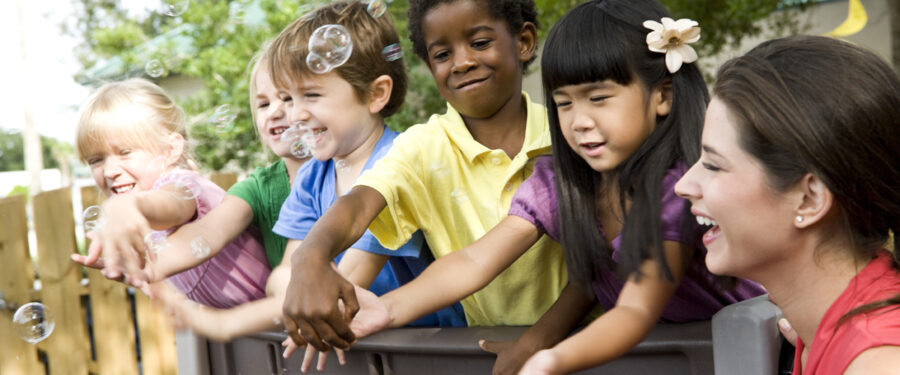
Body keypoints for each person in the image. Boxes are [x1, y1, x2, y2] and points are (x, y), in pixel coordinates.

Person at [298, 1, 764, 373]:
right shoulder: (561, 179)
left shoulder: (675, 189)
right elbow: (475, 260)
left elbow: (634, 311)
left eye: (599, 98)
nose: (580, 121)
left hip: (738, 352)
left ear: (662, 94)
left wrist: (548, 356)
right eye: (563, 103)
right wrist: (386, 310)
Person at [154, 3, 465, 354]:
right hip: (358, 345)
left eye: (312, 95)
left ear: (377, 94)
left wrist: (224, 324)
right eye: (289, 97)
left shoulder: (399, 161)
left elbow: (342, 288)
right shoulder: (313, 176)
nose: (295, 114)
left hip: (430, 348)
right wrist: (295, 289)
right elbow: (286, 274)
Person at [280, 0, 568, 352]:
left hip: (599, 342)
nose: (462, 62)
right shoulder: (421, 147)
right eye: (443, 54)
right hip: (483, 352)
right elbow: (358, 203)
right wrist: (310, 254)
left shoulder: (570, 133)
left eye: (479, 43)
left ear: (523, 41)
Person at [674, 35, 900, 375]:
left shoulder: (877, 361)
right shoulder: (826, 329)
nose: (683, 186)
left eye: (713, 165)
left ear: (810, 199)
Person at [73, 78, 270, 309]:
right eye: (96, 160)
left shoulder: (182, 185)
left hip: (287, 313)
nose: (109, 171)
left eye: (125, 152)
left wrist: (131, 205)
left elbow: (170, 204)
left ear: (171, 149)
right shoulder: (143, 227)